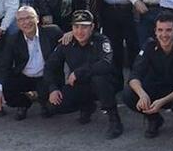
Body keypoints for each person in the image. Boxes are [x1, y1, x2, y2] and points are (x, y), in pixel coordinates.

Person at [43, 10, 124, 139]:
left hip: (106, 83)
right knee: (53, 107)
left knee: (99, 78)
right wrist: (53, 88)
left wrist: (78, 72)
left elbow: (105, 64)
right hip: (81, 84)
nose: (80, 31)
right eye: (76, 27)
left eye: (84, 27)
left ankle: (114, 120)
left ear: (92, 27)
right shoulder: (66, 43)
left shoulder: (101, 40)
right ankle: (87, 105)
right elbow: (49, 67)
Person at [122, 11, 173, 138]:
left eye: (168, 30)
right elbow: (134, 75)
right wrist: (142, 95)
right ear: (155, 31)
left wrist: (162, 102)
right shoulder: (149, 45)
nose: (164, 35)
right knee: (129, 94)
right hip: (156, 88)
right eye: (160, 30)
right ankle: (154, 119)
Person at [0, 6, 63, 120]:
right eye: (21, 19)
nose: (26, 22)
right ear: (18, 24)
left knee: (53, 108)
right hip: (24, 76)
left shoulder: (53, 32)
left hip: (46, 78)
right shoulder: (13, 38)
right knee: (6, 88)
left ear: (37, 19)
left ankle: (44, 101)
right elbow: (3, 65)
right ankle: (24, 103)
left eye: (29, 17)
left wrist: (70, 35)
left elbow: (69, 44)